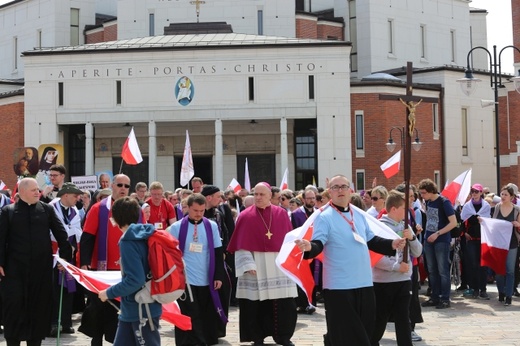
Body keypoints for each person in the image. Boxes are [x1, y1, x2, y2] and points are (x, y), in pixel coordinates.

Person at [295, 175, 406, 346]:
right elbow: (319, 242)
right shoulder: (324, 217)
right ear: (330, 192)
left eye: (343, 186)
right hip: (339, 286)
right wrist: (309, 247)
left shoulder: (358, 215)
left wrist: (392, 243)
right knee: (348, 334)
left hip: (364, 283)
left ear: (350, 190)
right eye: (335, 187)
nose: (340, 190)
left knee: (365, 330)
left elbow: (371, 240)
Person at [0, 178, 72, 346]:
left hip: (41, 272)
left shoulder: (47, 210)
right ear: (23, 191)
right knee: (14, 310)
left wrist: (65, 259)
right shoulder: (8, 211)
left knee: (38, 311)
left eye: (38, 190)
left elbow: (62, 235)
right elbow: (0, 239)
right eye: (34, 190)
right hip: (14, 273)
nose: (37, 192)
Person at [227, 182, 298, 346]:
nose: (258, 197)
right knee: (255, 303)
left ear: (270, 196)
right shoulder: (245, 216)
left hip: (277, 265)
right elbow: (240, 244)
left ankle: (283, 336)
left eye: (262, 195)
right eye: (256, 194)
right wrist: (247, 264)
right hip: (256, 266)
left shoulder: (281, 214)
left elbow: (289, 241)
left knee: (283, 303)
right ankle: (257, 337)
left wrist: (289, 262)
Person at [98, 197, 161, 346]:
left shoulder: (128, 241)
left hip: (140, 310)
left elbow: (135, 279)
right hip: (137, 308)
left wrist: (108, 293)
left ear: (115, 218)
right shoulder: (144, 233)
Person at [79, 174, 133, 345]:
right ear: (112, 185)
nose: (123, 188)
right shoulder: (98, 208)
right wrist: (85, 263)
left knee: (120, 310)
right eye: (120, 185)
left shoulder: (133, 209)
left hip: (125, 269)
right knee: (98, 308)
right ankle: (97, 341)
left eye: (126, 186)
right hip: (100, 269)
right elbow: (87, 237)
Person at [169, 193, 227, 346]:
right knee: (189, 313)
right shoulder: (176, 227)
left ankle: (205, 341)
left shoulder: (211, 226)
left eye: (201, 211)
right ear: (188, 208)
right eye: (195, 210)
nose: (198, 214)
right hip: (186, 280)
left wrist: (218, 276)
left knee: (205, 314)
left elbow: (218, 251)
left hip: (207, 278)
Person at [370, 190, 423, 346]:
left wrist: (412, 237)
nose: (406, 212)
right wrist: (396, 267)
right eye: (403, 208)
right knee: (380, 319)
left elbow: (418, 251)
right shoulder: (379, 227)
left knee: (403, 320)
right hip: (383, 283)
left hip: (403, 281)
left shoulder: (406, 226)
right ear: (393, 209)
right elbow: (376, 258)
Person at [49, 183, 84, 337]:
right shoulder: (51, 207)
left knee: (68, 287)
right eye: (75, 196)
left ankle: (66, 321)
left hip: (68, 252)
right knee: (54, 289)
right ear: (65, 195)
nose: (78, 198)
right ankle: (53, 322)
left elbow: (77, 231)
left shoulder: (74, 210)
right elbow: (51, 231)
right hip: (53, 253)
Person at [418, 179, 457, 309]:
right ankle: (434, 297)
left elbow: (453, 223)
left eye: (423, 193)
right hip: (428, 239)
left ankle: (445, 298)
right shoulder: (428, 202)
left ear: (431, 191)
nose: (422, 196)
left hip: (441, 240)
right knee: (431, 270)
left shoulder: (444, 202)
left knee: (443, 270)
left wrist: (438, 234)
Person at [461, 183, 491, 300]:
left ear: (481, 193)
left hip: (483, 239)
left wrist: (482, 220)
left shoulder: (486, 206)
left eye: (476, 191)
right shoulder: (467, 206)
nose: (474, 194)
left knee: (482, 264)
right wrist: (465, 233)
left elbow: (488, 222)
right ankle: (474, 288)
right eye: (472, 191)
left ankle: (483, 289)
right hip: (471, 239)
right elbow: (462, 221)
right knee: (472, 264)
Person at [492, 185, 520, 306]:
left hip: (512, 242)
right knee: (499, 269)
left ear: (512, 197)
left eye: (506, 195)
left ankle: (508, 295)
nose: (503, 197)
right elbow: (492, 224)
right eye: (502, 194)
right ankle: (501, 293)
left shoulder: (517, 210)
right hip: (499, 243)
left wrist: (517, 224)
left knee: (510, 270)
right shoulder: (497, 207)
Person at [291, 188, 318, 314]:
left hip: (315, 249)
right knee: (303, 276)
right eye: (309, 198)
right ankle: (303, 303)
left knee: (313, 276)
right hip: (301, 250)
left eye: (313, 198)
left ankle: (312, 302)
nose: (311, 201)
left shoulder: (318, 213)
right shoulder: (296, 214)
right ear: (303, 199)